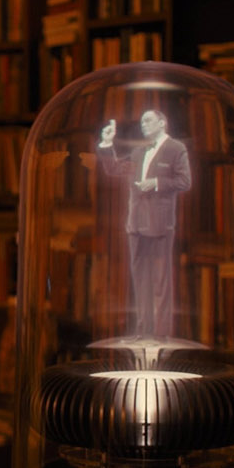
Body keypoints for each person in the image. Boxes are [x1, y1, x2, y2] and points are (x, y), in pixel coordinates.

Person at [98, 109, 191, 337]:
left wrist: (156, 182)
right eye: (141, 122)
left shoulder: (176, 148)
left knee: (161, 282)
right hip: (136, 225)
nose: (143, 124)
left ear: (162, 122)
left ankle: (161, 334)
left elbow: (185, 181)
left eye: (148, 120)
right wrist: (107, 143)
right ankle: (144, 331)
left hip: (160, 225)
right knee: (140, 281)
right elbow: (114, 169)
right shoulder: (139, 151)